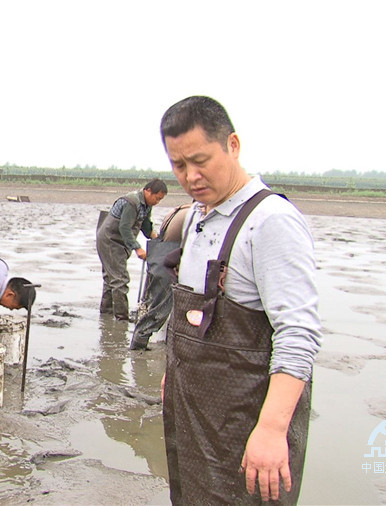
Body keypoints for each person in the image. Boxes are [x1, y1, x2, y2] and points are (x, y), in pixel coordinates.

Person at [158, 96, 322, 504]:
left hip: (245, 422)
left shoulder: (271, 223)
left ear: (232, 145)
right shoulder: (198, 215)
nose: (191, 176)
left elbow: (298, 334)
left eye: (201, 160)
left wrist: (271, 430)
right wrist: (172, 370)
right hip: (193, 411)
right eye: (179, 165)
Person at [96, 178, 167, 321]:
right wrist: (137, 248)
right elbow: (124, 227)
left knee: (111, 278)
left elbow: (145, 225)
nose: (157, 202)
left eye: (160, 200)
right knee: (120, 279)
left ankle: (106, 313)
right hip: (110, 240)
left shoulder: (146, 205)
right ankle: (122, 318)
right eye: (157, 198)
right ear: (148, 191)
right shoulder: (131, 202)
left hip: (120, 242)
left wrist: (156, 238)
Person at [128, 202, 191, 350]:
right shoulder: (195, 215)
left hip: (159, 256)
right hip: (170, 261)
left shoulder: (180, 209)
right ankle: (139, 345)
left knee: (153, 303)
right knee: (160, 307)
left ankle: (151, 341)